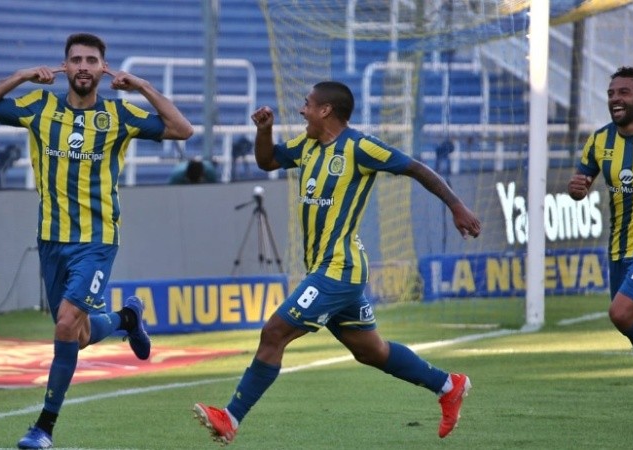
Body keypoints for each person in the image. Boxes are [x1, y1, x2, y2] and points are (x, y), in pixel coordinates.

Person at [193, 81, 482, 445]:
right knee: (370, 351)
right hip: (327, 268)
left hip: (338, 268)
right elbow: (267, 161)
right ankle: (448, 386)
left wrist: (456, 206)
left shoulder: (360, 147)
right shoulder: (307, 145)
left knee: (274, 333)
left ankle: (231, 417)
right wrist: (264, 131)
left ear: (326, 110)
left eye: (308, 104)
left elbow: (415, 168)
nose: (302, 110)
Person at [0, 32, 193, 449]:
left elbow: (183, 129)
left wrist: (142, 86)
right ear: (64, 67)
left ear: (103, 69)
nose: (83, 67)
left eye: (91, 60)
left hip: (97, 240)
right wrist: (20, 76)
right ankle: (127, 319)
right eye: (76, 60)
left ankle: (43, 427)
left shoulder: (119, 114)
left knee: (67, 323)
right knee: (79, 335)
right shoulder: (40, 106)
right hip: (51, 239)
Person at [566, 66, 633, 430]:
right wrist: (576, 189)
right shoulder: (600, 141)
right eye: (610, 94)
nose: (615, 99)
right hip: (620, 250)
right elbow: (581, 183)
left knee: (621, 313)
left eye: (623, 93)